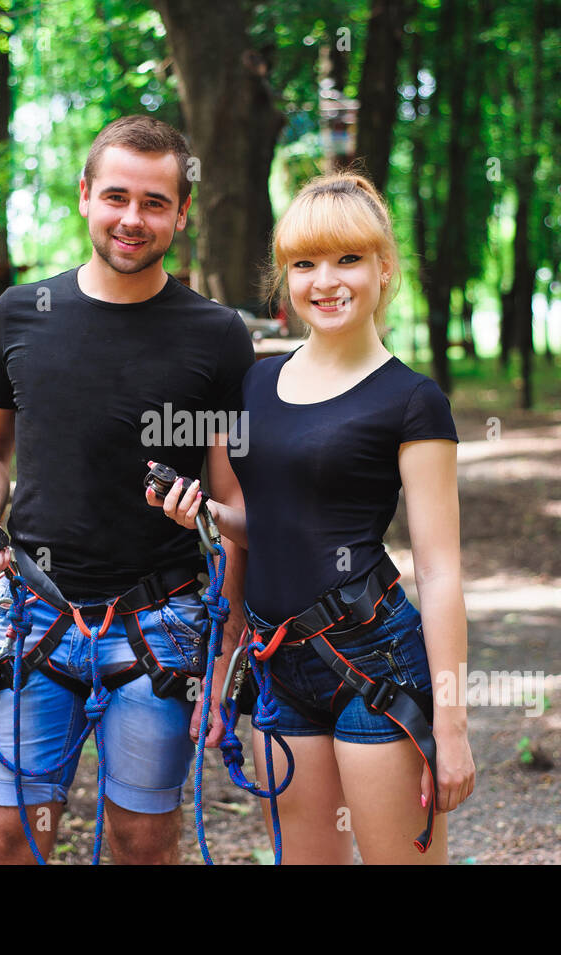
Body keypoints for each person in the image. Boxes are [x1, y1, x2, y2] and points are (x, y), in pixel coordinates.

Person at [0, 115, 253, 865]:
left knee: (142, 840)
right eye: (116, 195)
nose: (132, 218)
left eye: (156, 202)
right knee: (7, 839)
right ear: (85, 194)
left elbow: (242, 510)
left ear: (182, 214)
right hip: (32, 610)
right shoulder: (21, 313)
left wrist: (227, 654)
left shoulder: (217, 335)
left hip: (162, 622)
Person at [149, 172, 475, 864]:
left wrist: (452, 723)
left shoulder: (413, 402)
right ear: (285, 276)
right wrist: (204, 513)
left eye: (347, 259)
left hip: (373, 659)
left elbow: (441, 571)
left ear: (384, 268)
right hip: (277, 666)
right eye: (304, 263)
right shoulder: (256, 384)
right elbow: (265, 524)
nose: (325, 281)